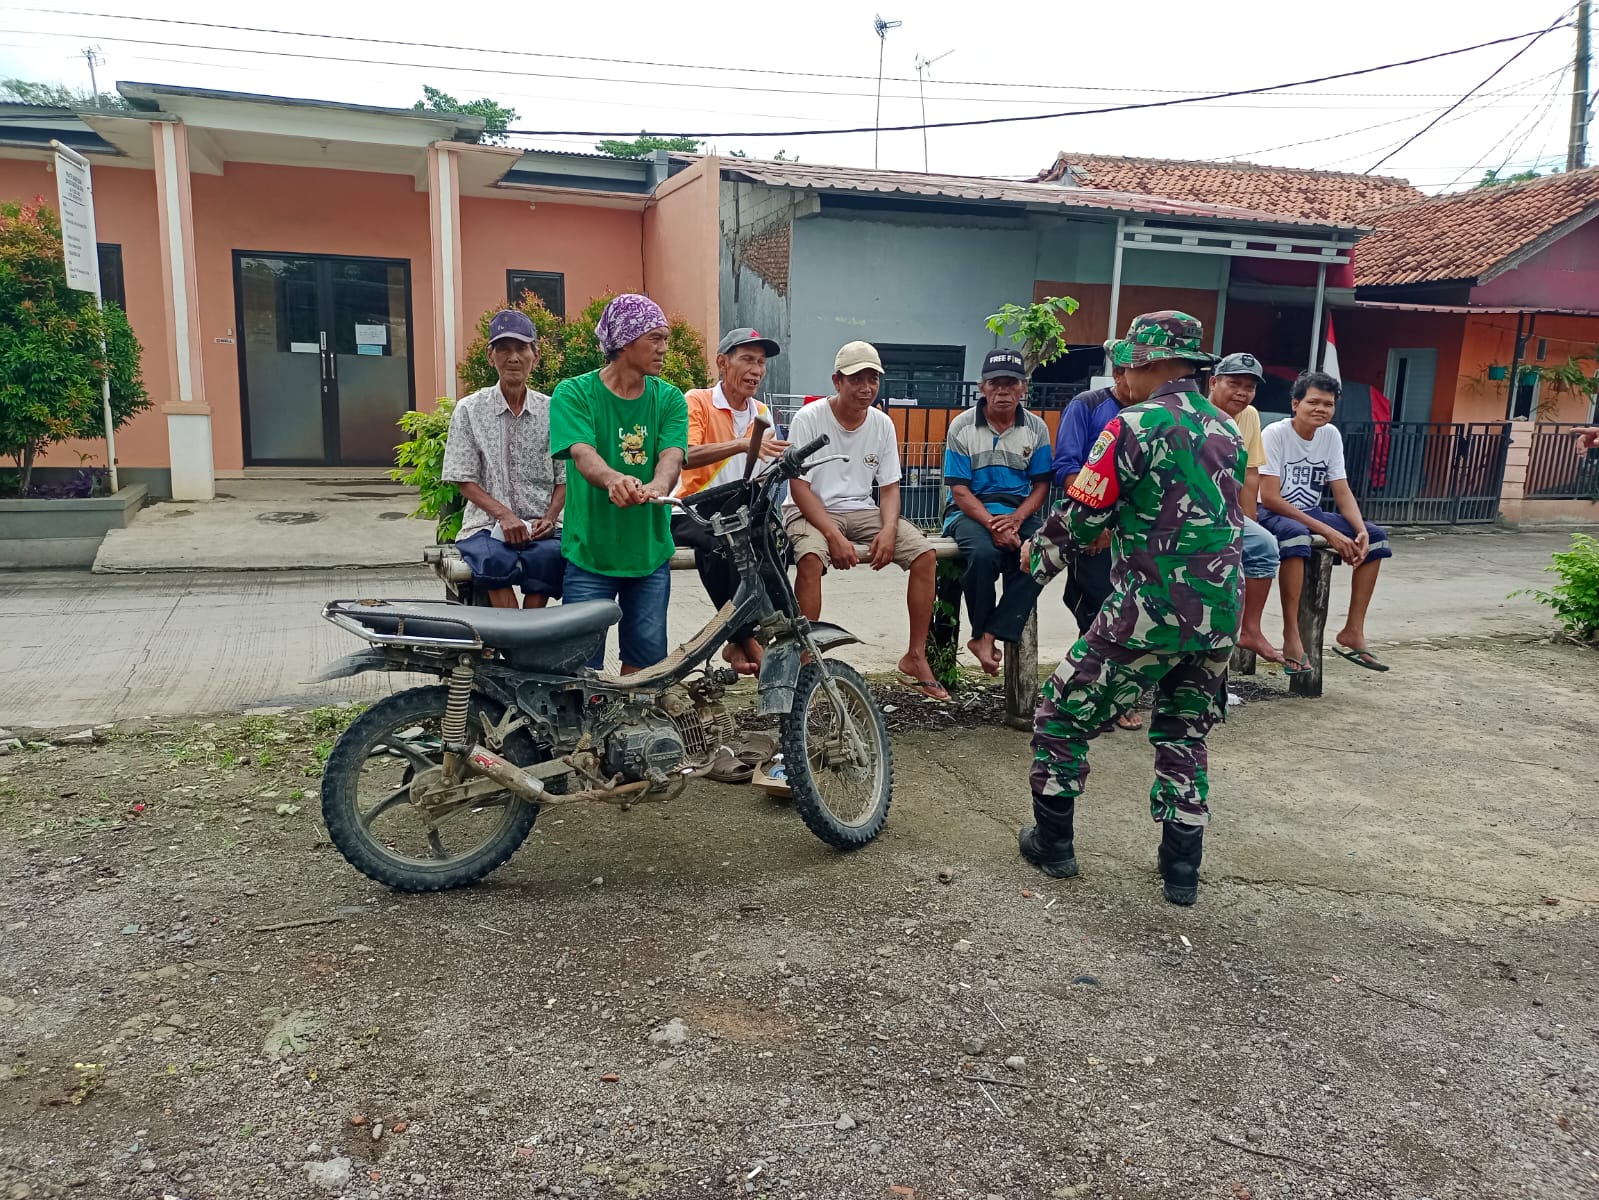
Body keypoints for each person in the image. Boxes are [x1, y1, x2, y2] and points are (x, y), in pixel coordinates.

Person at [1018, 311, 1244, 907]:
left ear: (1146, 363)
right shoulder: (1228, 428)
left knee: (1059, 714)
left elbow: (1084, 512)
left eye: (1127, 364)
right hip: (1220, 616)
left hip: (1150, 612)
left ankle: (1054, 844)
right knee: (1185, 731)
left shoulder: (1132, 425)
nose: (1123, 375)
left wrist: (1037, 561)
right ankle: (1181, 874)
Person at [784, 340, 946, 701]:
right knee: (810, 559)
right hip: (809, 508)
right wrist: (831, 535)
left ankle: (915, 656)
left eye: (873, 379)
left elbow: (889, 488)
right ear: (837, 381)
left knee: (925, 555)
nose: (866, 388)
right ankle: (808, 661)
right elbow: (798, 488)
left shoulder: (882, 424)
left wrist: (889, 530)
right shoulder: (808, 418)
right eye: (856, 379)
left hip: (861, 509)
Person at [550, 294, 688, 673]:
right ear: (626, 341)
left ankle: (630, 732)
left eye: (665, 339)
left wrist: (659, 486)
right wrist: (613, 479)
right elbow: (582, 453)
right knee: (578, 669)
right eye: (655, 338)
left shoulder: (670, 398)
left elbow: (671, 456)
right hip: (590, 555)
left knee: (644, 669)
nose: (663, 349)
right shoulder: (573, 393)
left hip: (649, 556)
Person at [1258, 370, 1393, 674]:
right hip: (1271, 514)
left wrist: (1358, 531)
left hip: (1310, 512)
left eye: (1328, 404)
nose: (1321, 409)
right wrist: (1330, 532)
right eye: (1314, 402)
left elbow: (1341, 490)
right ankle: (1291, 634)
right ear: (1295, 404)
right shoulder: (1275, 434)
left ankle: (1352, 631)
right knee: (1295, 537)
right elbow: (1270, 498)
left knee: (1377, 538)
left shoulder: (1330, 435)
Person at [673, 327, 790, 675]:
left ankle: (779, 634)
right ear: (723, 363)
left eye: (761, 363)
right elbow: (686, 455)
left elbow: (768, 471)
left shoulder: (763, 412)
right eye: (748, 360)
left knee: (775, 541)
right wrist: (742, 443)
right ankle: (743, 639)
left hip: (741, 506)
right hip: (693, 506)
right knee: (720, 546)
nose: (756, 370)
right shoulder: (697, 400)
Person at [441, 310, 565, 609]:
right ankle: (518, 635)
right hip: (485, 525)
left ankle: (528, 628)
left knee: (552, 557)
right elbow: (462, 477)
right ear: (490, 356)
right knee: (491, 559)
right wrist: (504, 516)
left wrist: (549, 517)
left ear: (535, 355)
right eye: (504, 349)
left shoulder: (553, 410)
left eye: (522, 348)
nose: (513, 357)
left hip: (542, 525)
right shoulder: (469, 409)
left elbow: (565, 476)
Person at [941, 347, 1053, 675]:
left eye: (1010, 383)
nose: (1002, 390)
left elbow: (1041, 486)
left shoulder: (1037, 428)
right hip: (970, 512)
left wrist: (1016, 520)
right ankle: (982, 633)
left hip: (1019, 512)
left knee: (1044, 552)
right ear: (982, 387)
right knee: (982, 553)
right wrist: (993, 524)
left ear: (1023, 387)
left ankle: (988, 634)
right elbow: (959, 490)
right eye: (994, 383)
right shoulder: (961, 427)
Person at [1051, 357, 1145, 729]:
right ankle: (1093, 696)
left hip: (1137, 534)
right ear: (1119, 374)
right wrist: (1096, 523)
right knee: (1098, 609)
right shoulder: (1087, 406)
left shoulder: (1154, 414)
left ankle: (1104, 692)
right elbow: (1068, 467)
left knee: (1133, 613)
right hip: (1091, 525)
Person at [1206, 353, 1284, 663]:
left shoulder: (1249, 416)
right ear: (1213, 382)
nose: (1242, 392)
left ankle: (1250, 628)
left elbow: (1251, 473)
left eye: (1249, 387)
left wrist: (1247, 517)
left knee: (1263, 543)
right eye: (1234, 383)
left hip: (1228, 510)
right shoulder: (1197, 414)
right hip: (1193, 509)